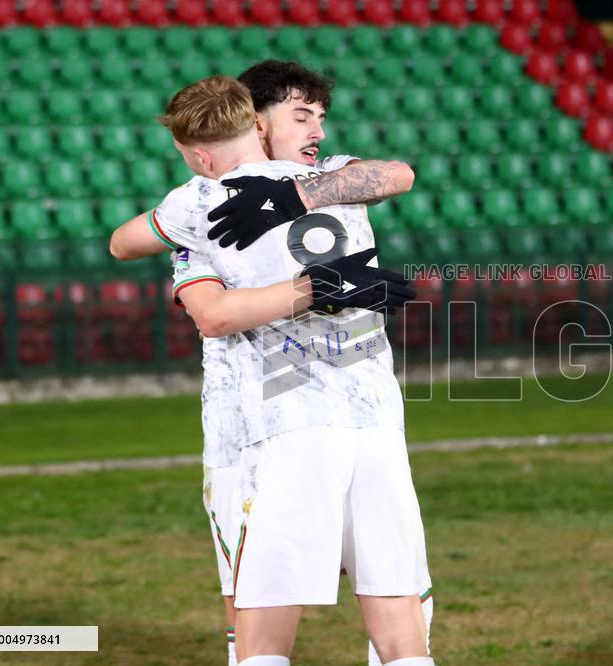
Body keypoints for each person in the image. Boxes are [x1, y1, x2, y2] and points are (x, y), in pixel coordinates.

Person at [110, 61, 434, 666]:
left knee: (257, 631)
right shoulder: (345, 181)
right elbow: (398, 174)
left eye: (320, 116)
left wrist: (288, 204)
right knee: (401, 620)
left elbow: (154, 266)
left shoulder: (209, 200)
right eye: (301, 114)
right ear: (255, 123)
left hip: (276, 430)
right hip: (371, 421)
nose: (316, 130)